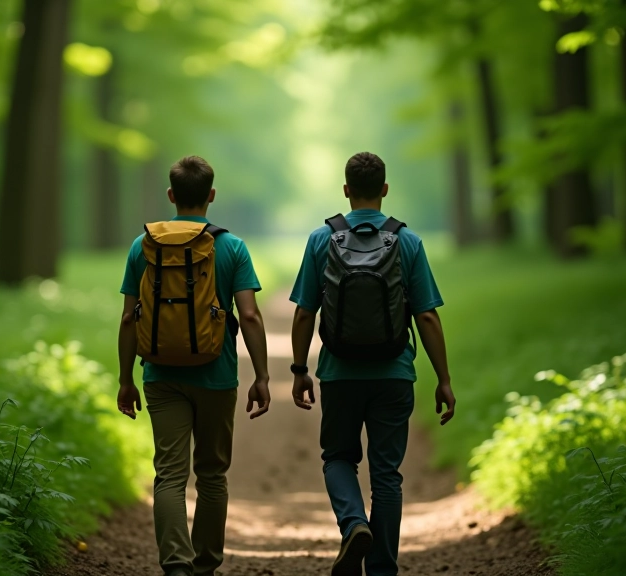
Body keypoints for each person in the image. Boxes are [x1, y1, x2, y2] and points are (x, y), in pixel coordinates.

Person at [288, 152, 455, 576]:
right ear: (384, 189)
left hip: (340, 372)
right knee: (386, 474)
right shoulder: (408, 241)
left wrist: (300, 370)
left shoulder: (321, 240)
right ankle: (382, 569)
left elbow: (305, 312)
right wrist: (444, 379)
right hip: (394, 373)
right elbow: (427, 316)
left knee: (338, 458)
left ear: (346, 190)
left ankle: (353, 525)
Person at [116, 155, 272, 576]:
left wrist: (125, 379)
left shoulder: (142, 246)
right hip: (216, 375)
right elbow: (252, 316)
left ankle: (176, 566)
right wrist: (262, 375)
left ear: (171, 195)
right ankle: (205, 565)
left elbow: (129, 318)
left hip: (161, 375)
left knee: (168, 475)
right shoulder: (232, 247)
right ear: (211, 196)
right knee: (212, 474)